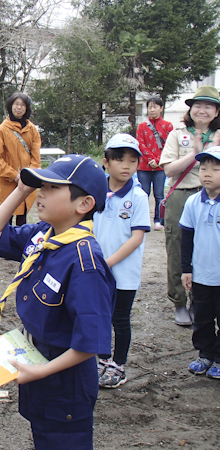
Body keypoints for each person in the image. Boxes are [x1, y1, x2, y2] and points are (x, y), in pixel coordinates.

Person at [0, 155, 115, 450]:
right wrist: (20, 191)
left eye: (52, 188)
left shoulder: (85, 262)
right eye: (42, 185)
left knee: (63, 440)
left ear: (83, 204)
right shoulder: (44, 234)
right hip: (36, 360)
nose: (41, 192)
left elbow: (90, 343)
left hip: (65, 380)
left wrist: (40, 371)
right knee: (43, 435)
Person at [160, 85, 220, 326]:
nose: (202, 110)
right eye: (198, 105)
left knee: (210, 249)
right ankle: (179, 302)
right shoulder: (178, 134)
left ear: (216, 112)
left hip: (215, 197)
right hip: (182, 195)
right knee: (178, 249)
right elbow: (168, 170)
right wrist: (196, 154)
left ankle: (203, 300)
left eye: (208, 106)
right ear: (191, 109)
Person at [93, 134, 150, 388]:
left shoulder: (138, 196)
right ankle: (102, 359)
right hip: (96, 269)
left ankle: (119, 364)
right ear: (106, 162)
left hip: (123, 273)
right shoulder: (96, 192)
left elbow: (136, 238)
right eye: (119, 159)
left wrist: (109, 262)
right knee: (100, 316)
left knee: (120, 318)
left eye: (132, 160)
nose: (126, 166)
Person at [179, 147, 220, 379]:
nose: (207, 173)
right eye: (204, 168)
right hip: (201, 275)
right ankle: (205, 354)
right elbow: (186, 238)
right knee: (201, 317)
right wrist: (186, 270)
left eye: (215, 169)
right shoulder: (193, 202)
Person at [0, 92, 41, 226]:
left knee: (22, 220)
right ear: (10, 106)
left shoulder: (32, 130)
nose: (19, 108)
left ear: (27, 108)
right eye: (16, 104)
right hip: (7, 182)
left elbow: (36, 157)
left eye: (22, 105)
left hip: (26, 182)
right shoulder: (1, 130)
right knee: (5, 219)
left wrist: (30, 175)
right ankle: (4, 246)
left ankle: (19, 246)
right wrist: (15, 176)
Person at [136, 96, 174, 230]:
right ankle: (142, 219)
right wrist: (150, 159)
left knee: (159, 195)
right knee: (143, 194)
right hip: (143, 167)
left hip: (160, 167)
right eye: (150, 107)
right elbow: (140, 144)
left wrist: (157, 161)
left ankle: (159, 220)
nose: (152, 110)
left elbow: (169, 146)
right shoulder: (142, 126)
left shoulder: (168, 126)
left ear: (161, 108)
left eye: (155, 107)